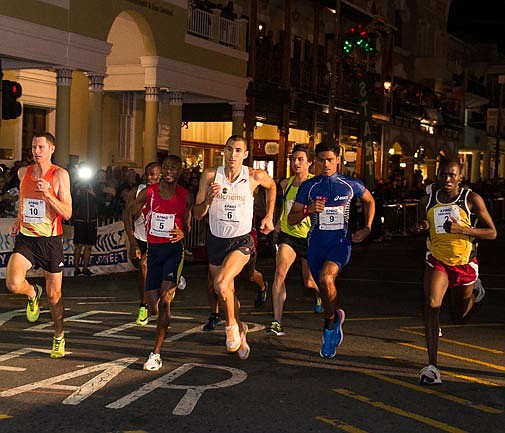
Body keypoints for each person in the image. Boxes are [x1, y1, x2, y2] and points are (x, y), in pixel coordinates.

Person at [412, 159, 496, 385]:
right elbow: (420, 225)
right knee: (432, 305)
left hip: (464, 264)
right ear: (437, 176)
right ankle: (432, 366)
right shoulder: (426, 201)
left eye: (452, 175)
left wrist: (462, 229)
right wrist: (421, 227)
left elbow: (492, 232)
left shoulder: (471, 200)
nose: (447, 180)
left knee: (460, 315)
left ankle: (475, 296)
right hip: (437, 260)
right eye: (443, 175)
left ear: (460, 177)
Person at [288, 141, 375, 358]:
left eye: (330, 159)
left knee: (328, 279)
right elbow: (291, 219)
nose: (326, 164)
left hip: (340, 243)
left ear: (338, 159)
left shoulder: (350, 184)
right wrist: (308, 210)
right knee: (323, 288)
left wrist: (367, 228)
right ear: (315, 161)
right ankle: (334, 317)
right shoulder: (309, 187)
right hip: (316, 245)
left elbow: (370, 202)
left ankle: (328, 328)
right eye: (321, 160)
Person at [193, 135, 276, 360]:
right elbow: (197, 213)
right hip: (217, 240)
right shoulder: (210, 175)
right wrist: (209, 200)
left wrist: (269, 215)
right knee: (224, 291)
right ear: (224, 151)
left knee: (221, 283)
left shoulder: (253, 176)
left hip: (241, 240)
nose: (233, 155)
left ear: (245, 154)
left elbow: (272, 186)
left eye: (238, 150)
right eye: (229, 150)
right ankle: (241, 329)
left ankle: (230, 326)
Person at [5, 132, 72, 358]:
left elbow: (68, 212)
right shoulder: (23, 172)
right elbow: (26, 202)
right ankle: (33, 293)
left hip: (50, 241)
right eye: (34, 147)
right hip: (26, 239)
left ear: (52, 149)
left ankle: (59, 336)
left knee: (54, 296)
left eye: (41, 147)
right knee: (13, 283)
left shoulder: (60, 175)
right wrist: (18, 221)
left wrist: (49, 194)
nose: (36, 151)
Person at [131, 155, 193, 371]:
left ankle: (155, 353)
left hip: (173, 251)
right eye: (165, 167)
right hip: (154, 250)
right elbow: (131, 211)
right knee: (154, 308)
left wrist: (182, 232)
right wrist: (142, 211)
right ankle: (177, 280)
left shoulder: (185, 195)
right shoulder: (148, 192)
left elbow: (188, 224)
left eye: (173, 168)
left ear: (179, 171)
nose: (168, 171)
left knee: (166, 302)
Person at [267, 143, 321, 336]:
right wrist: (278, 222)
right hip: (288, 236)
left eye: (300, 159)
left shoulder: (316, 184)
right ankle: (277, 322)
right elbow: (283, 204)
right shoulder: (286, 183)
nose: (296, 163)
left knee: (309, 282)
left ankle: (320, 294)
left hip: (308, 238)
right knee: (279, 273)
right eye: (293, 159)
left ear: (310, 163)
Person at [203, 226, 268, 331]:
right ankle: (215, 314)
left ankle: (262, 286)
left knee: (249, 275)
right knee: (217, 283)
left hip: (242, 239)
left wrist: (269, 216)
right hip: (220, 241)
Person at [123, 161, 162, 325]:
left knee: (146, 266)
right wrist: (133, 243)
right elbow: (127, 217)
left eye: (153, 174)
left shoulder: (166, 192)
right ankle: (145, 303)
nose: (149, 177)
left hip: (159, 239)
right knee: (142, 271)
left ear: (160, 176)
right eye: (147, 173)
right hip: (141, 237)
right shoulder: (137, 191)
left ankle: (144, 306)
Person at [72, 165, 99, 276]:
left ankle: (85, 268)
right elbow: (73, 202)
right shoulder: (77, 186)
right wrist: (78, 193)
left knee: (88, 246)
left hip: (91, 221)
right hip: (80, 220)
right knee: (79, 245)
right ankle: (76, 268)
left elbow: (101, 202)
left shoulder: (94, 185)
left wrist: (92, 193)